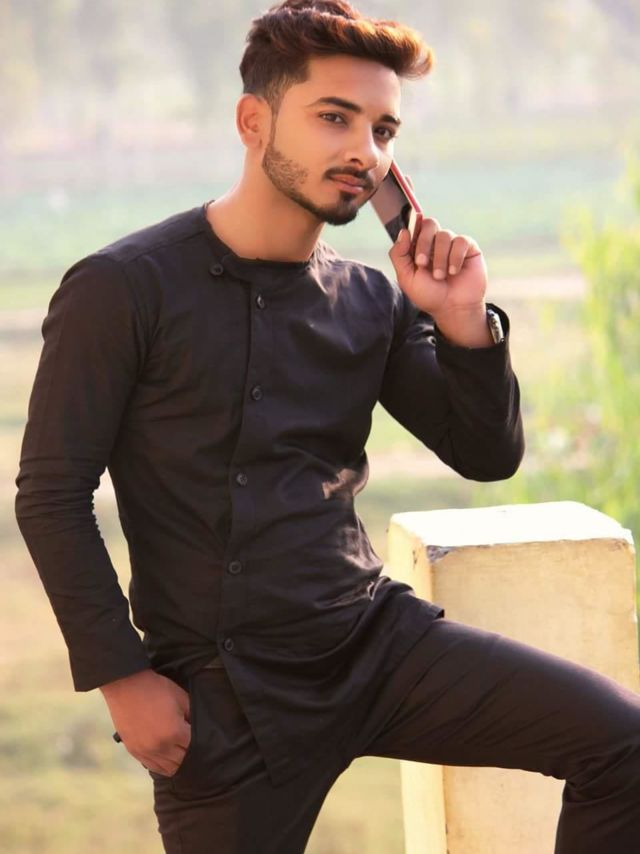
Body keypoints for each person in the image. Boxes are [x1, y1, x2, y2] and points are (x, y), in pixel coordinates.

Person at [14, 1, 640, 852]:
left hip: (375, 643)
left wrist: (462, 322)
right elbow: (51, 495)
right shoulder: (124, 287)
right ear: (252, 121)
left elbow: (486, 455)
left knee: (623, 745)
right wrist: (122, 676)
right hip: (225, 692)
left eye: (383, 130)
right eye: (334, 118)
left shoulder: (372, 298)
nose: (363, 152)